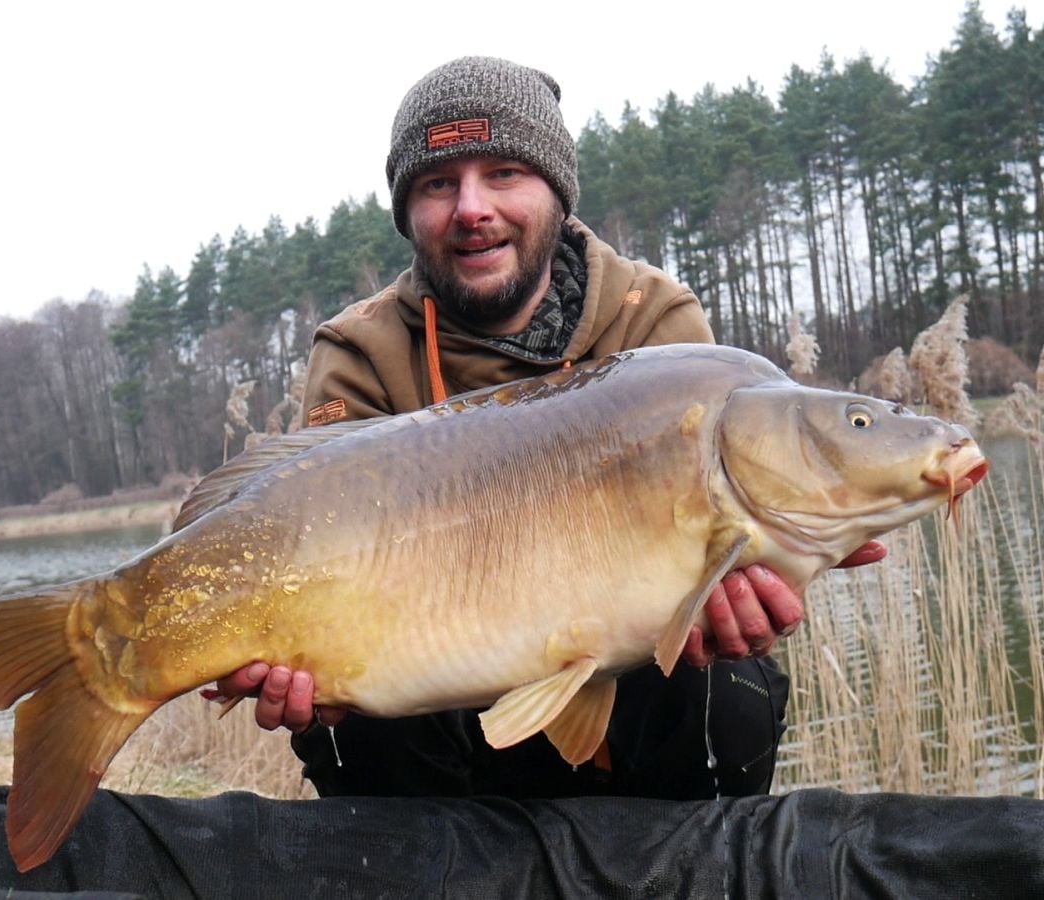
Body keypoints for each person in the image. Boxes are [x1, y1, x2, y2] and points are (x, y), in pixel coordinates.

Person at [204, 56, 885, 800]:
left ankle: (663, 854)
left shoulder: (654, 321)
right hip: (437, 684)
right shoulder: (361, 352)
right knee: (348, 723)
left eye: (504, 173)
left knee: (728, 683)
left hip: (624, 685)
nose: (471, 208)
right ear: (407, 213)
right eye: (438, 184)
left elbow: (720, 546)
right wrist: (310, 669)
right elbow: (316, 547)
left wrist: (743, 594)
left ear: (557, 193)